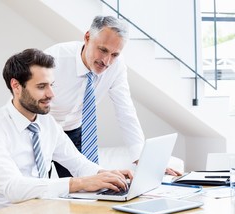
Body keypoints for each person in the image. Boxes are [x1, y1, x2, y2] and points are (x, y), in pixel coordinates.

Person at [0, 48, 133, 212]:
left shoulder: (47, 123)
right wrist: (79, 183)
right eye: (41, 86)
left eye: (51, 85)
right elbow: (14, 188)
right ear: (16, 86)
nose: (51, 94)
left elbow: (77, 162)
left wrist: (106, 175)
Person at [44, 15, 181, 177]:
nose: (107, 61)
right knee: (36, 187)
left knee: (82, 187)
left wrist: (143, 159)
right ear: (87, 37)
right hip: (43, 128)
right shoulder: (54, 58)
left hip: (75, 130)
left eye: (115, 54)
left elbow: (125, 111)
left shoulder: (117, 67)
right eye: (103, 50)